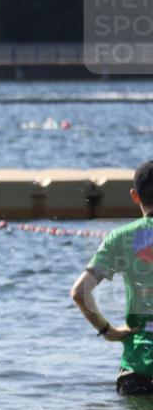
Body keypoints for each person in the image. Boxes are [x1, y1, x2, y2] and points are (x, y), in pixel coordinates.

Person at [71, 160, 153, 395]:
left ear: (135, 196)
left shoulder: (119, 238)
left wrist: (108, 331)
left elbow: (79, 293)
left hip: (136, 368)